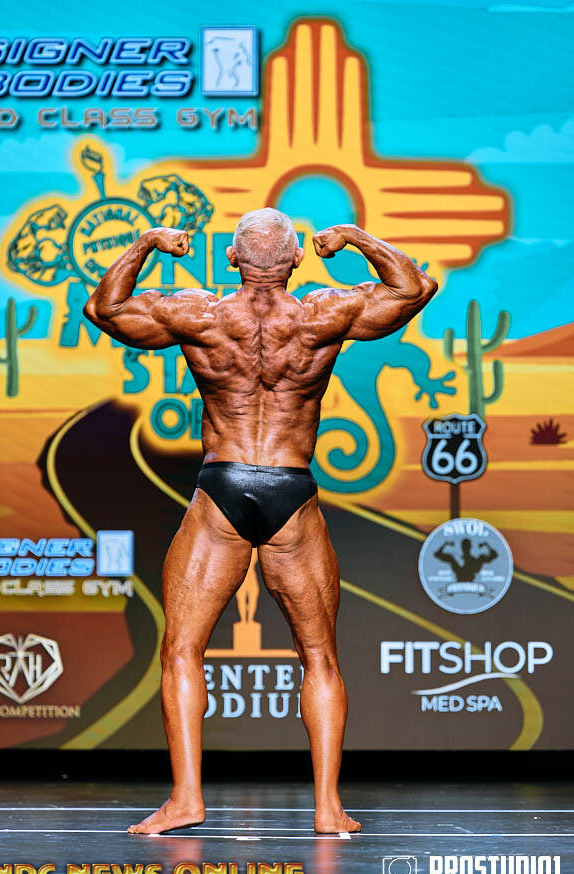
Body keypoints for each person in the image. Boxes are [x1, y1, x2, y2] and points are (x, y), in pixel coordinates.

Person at [83, 208, 437, 834]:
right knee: (319, 657)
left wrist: (146, 243)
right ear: (297, 258)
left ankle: (186, 799)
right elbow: (413, 288)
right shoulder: (323, 313)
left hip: (222, 487)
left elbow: (104, 308)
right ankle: (327, 808)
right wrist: (353, 238)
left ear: (232, 259)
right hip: (290, 490)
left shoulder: (202, 314)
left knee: (182, 650)